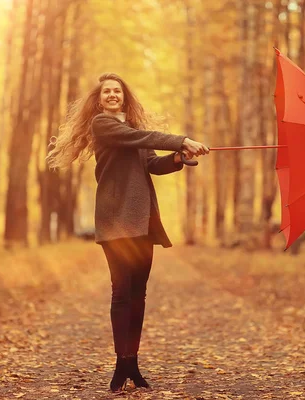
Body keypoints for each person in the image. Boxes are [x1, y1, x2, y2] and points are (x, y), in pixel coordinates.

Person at [46, 73, 209, 392]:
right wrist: (181, 139)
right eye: (106, 91)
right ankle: (121, 364)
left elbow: (153, 165)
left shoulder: (134, 133)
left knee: (139, 293)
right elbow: (145, 139)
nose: (111, 94)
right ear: (99, 98)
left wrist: (177, 158)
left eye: (117, 91)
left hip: (143, 220)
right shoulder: (103, 126)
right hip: (117, 220)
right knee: (122, 292)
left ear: (125, 96)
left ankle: (132, 362)